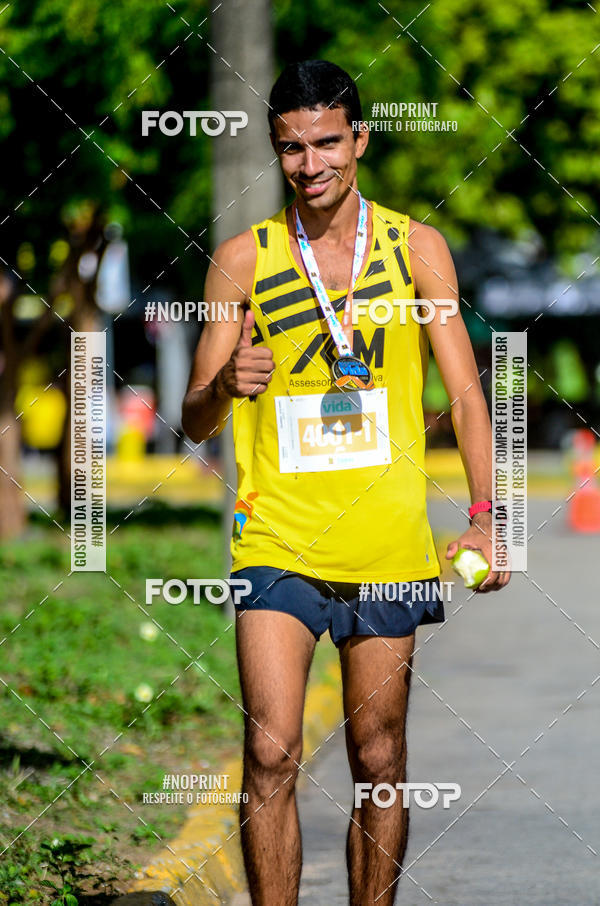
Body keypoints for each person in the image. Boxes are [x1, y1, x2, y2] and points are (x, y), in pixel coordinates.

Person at [182, 59, 509, 906]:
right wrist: (225, 385)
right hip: (277, 539)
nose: (312, 163)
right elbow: (193, 419)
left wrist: (483, 517)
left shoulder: (415, 248)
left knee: (380, 756)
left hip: (387, 544)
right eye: (292, 147)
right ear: (275, 151)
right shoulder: (240, 261)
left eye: (328, 141)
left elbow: (468, 399)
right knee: (270, 752)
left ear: (358, 139)